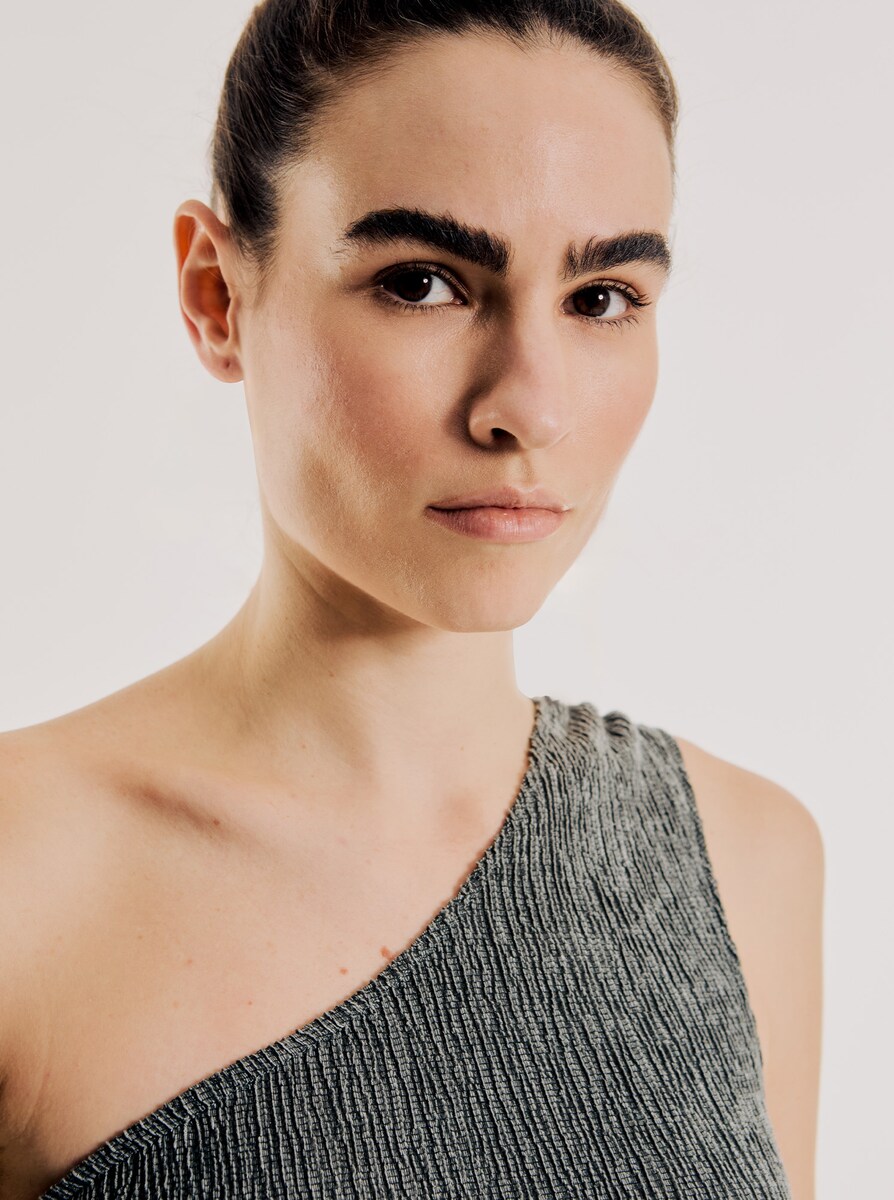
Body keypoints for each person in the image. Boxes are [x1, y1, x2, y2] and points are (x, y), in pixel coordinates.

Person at [0, 1, 824, 1198]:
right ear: (217, 294)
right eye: (424, 283)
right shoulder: (24, 882)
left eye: (602, 298)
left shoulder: (748, 860)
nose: (527, 407)